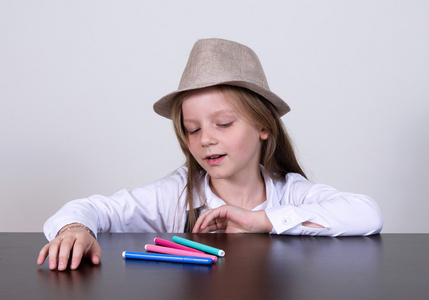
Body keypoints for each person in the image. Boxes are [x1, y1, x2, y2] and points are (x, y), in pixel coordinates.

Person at [37, 38, 383, 271]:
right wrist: (75, 228)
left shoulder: (290, 191)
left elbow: (367, 215)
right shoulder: (175, 195)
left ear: (264, 127)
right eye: (193, 129)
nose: (206, 140)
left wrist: (261, 221)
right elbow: (93, 208)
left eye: (224, 123)